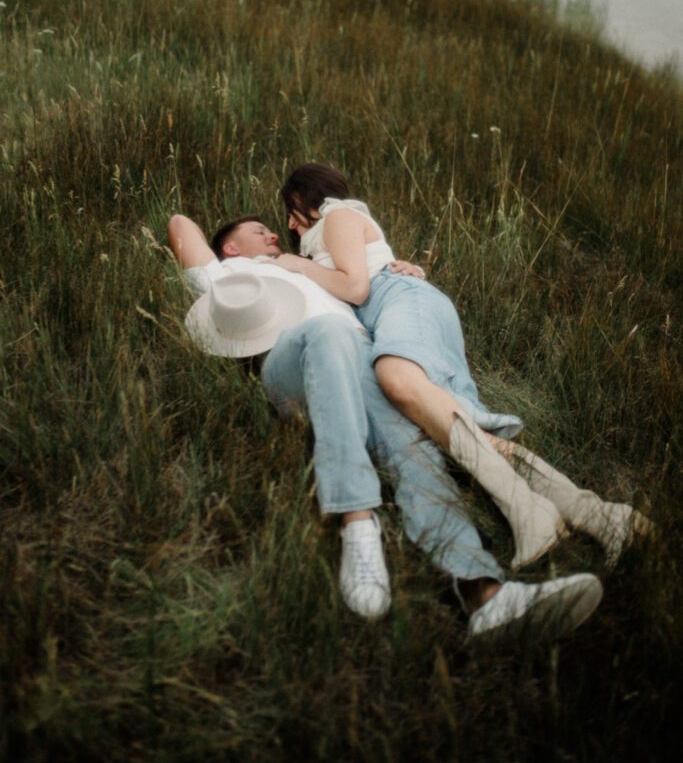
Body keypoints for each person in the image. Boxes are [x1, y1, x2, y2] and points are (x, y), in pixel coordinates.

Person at [168, 211, 604, 642]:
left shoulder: (305, 268)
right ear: (229, 247)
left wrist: (406, 270)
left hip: (357, 355)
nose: (272, 237)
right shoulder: (224, 276)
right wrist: (236, 263)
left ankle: (483, 593)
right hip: (290, 362)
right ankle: (356, 520)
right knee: (326, 330)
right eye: (258, 231)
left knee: (410, 448)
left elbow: (364, 281)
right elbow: (179, 224)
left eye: (272, 232)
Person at [272, 163, 652, 569]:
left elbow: (357, 286)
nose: (292, 228)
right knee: (449, 422)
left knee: (396, 379)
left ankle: (527, 511)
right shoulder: (323, 235)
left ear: (306, 197)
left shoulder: (339, 215)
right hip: (390, 311)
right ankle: (605, 519)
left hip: (399, 300)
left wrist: (298, 265)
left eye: (292, 214)